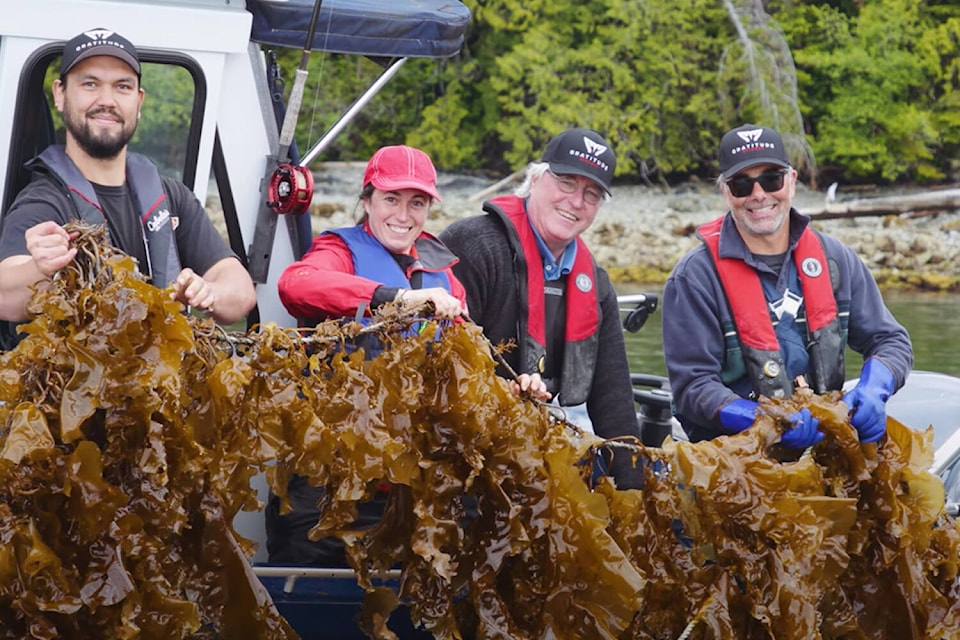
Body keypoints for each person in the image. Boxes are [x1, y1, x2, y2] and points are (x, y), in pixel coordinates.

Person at [270, 143, 467, 566]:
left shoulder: (444, 273)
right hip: (330, 476)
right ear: (367, 201)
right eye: (391, 199)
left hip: (407, 481)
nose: (403, 214)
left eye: (417, 203)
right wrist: (392, 297)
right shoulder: (338, 250)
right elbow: (295, 284)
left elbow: (468, 363)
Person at [661, 123, 913, 445]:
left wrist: (874, 387)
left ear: (791, 182)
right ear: (726, 192)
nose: (759, 195)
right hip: (734, 466)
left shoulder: (837, 260)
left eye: (771, 179)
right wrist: (762, 420)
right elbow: (692, 387)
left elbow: (891, 340)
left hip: (827, 449)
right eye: (742, 184)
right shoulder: (693, 279)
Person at [0, 28, 256, 328]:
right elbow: (5, 297)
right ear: (60, 93)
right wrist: (39, 268)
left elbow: (241, 291)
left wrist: (211, 291)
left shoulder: (172, 196)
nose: (106, 99)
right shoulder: (43, 202)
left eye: (122, 86)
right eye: (90, 83)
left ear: (139, 101)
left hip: (163, 370)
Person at [439, 128, 643, 484]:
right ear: (535, 179)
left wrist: (636, 496)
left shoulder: (596, 285)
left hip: (532, 450)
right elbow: (443, 371)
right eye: (566, 183)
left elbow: (614, 402)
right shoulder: (473, 246)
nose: (576, 201)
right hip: (459, 450)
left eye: (591, 193)